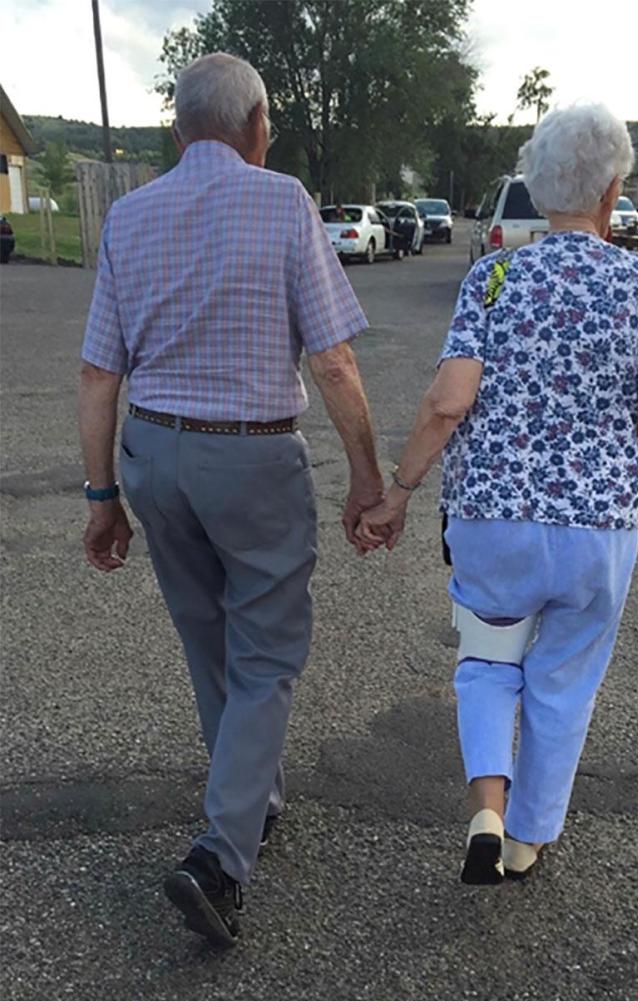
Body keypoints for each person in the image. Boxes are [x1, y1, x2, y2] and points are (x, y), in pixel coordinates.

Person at [78, 53, 383, 947]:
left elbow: (100, 373)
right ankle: (220, 857)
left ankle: (253, 802)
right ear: (257, 127)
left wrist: (102, 496)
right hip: (249, 460)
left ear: (178, 134)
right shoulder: (284, 200)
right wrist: (366, 475)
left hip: (154, 455)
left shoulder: (129, 218)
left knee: (207, 634)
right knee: (268, 652)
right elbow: (332, 358)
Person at [357, 103, 638, 885]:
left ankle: (485, 807)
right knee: (564, 680)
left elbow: (448, 400)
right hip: (599, 524)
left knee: (487, 662)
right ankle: (527, 838)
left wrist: (399, 491)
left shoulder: (497, 275)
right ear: (613, 191)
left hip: (493, 515)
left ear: (539, 192)